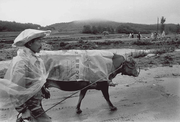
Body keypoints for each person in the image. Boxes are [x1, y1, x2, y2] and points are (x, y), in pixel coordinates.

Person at [3, 29, 52, 122]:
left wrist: (43, 89)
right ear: (30, 44)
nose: (42, 45)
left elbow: (36, 80)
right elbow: (14, 89)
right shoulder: (22, 62)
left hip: (37, 104)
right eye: (39, 41)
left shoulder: (36, 60)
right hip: (30, 107)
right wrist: (24, 110)